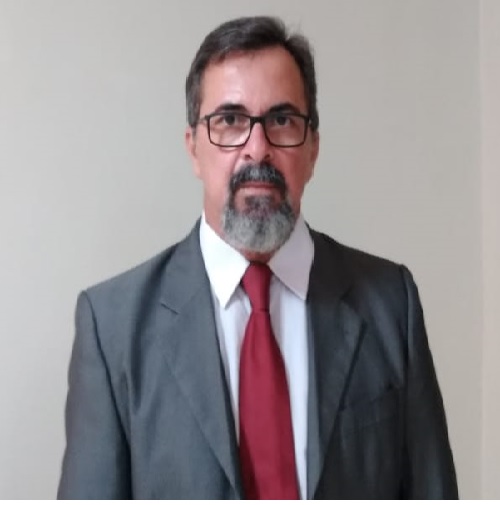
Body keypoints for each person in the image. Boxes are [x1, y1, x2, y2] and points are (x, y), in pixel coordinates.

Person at [57, 15, 458, 499]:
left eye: (281, 120)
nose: (257, 149)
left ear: (312, 148)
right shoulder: (112, 328)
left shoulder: (391, 304)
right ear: (193, 148)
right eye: (229, 120)